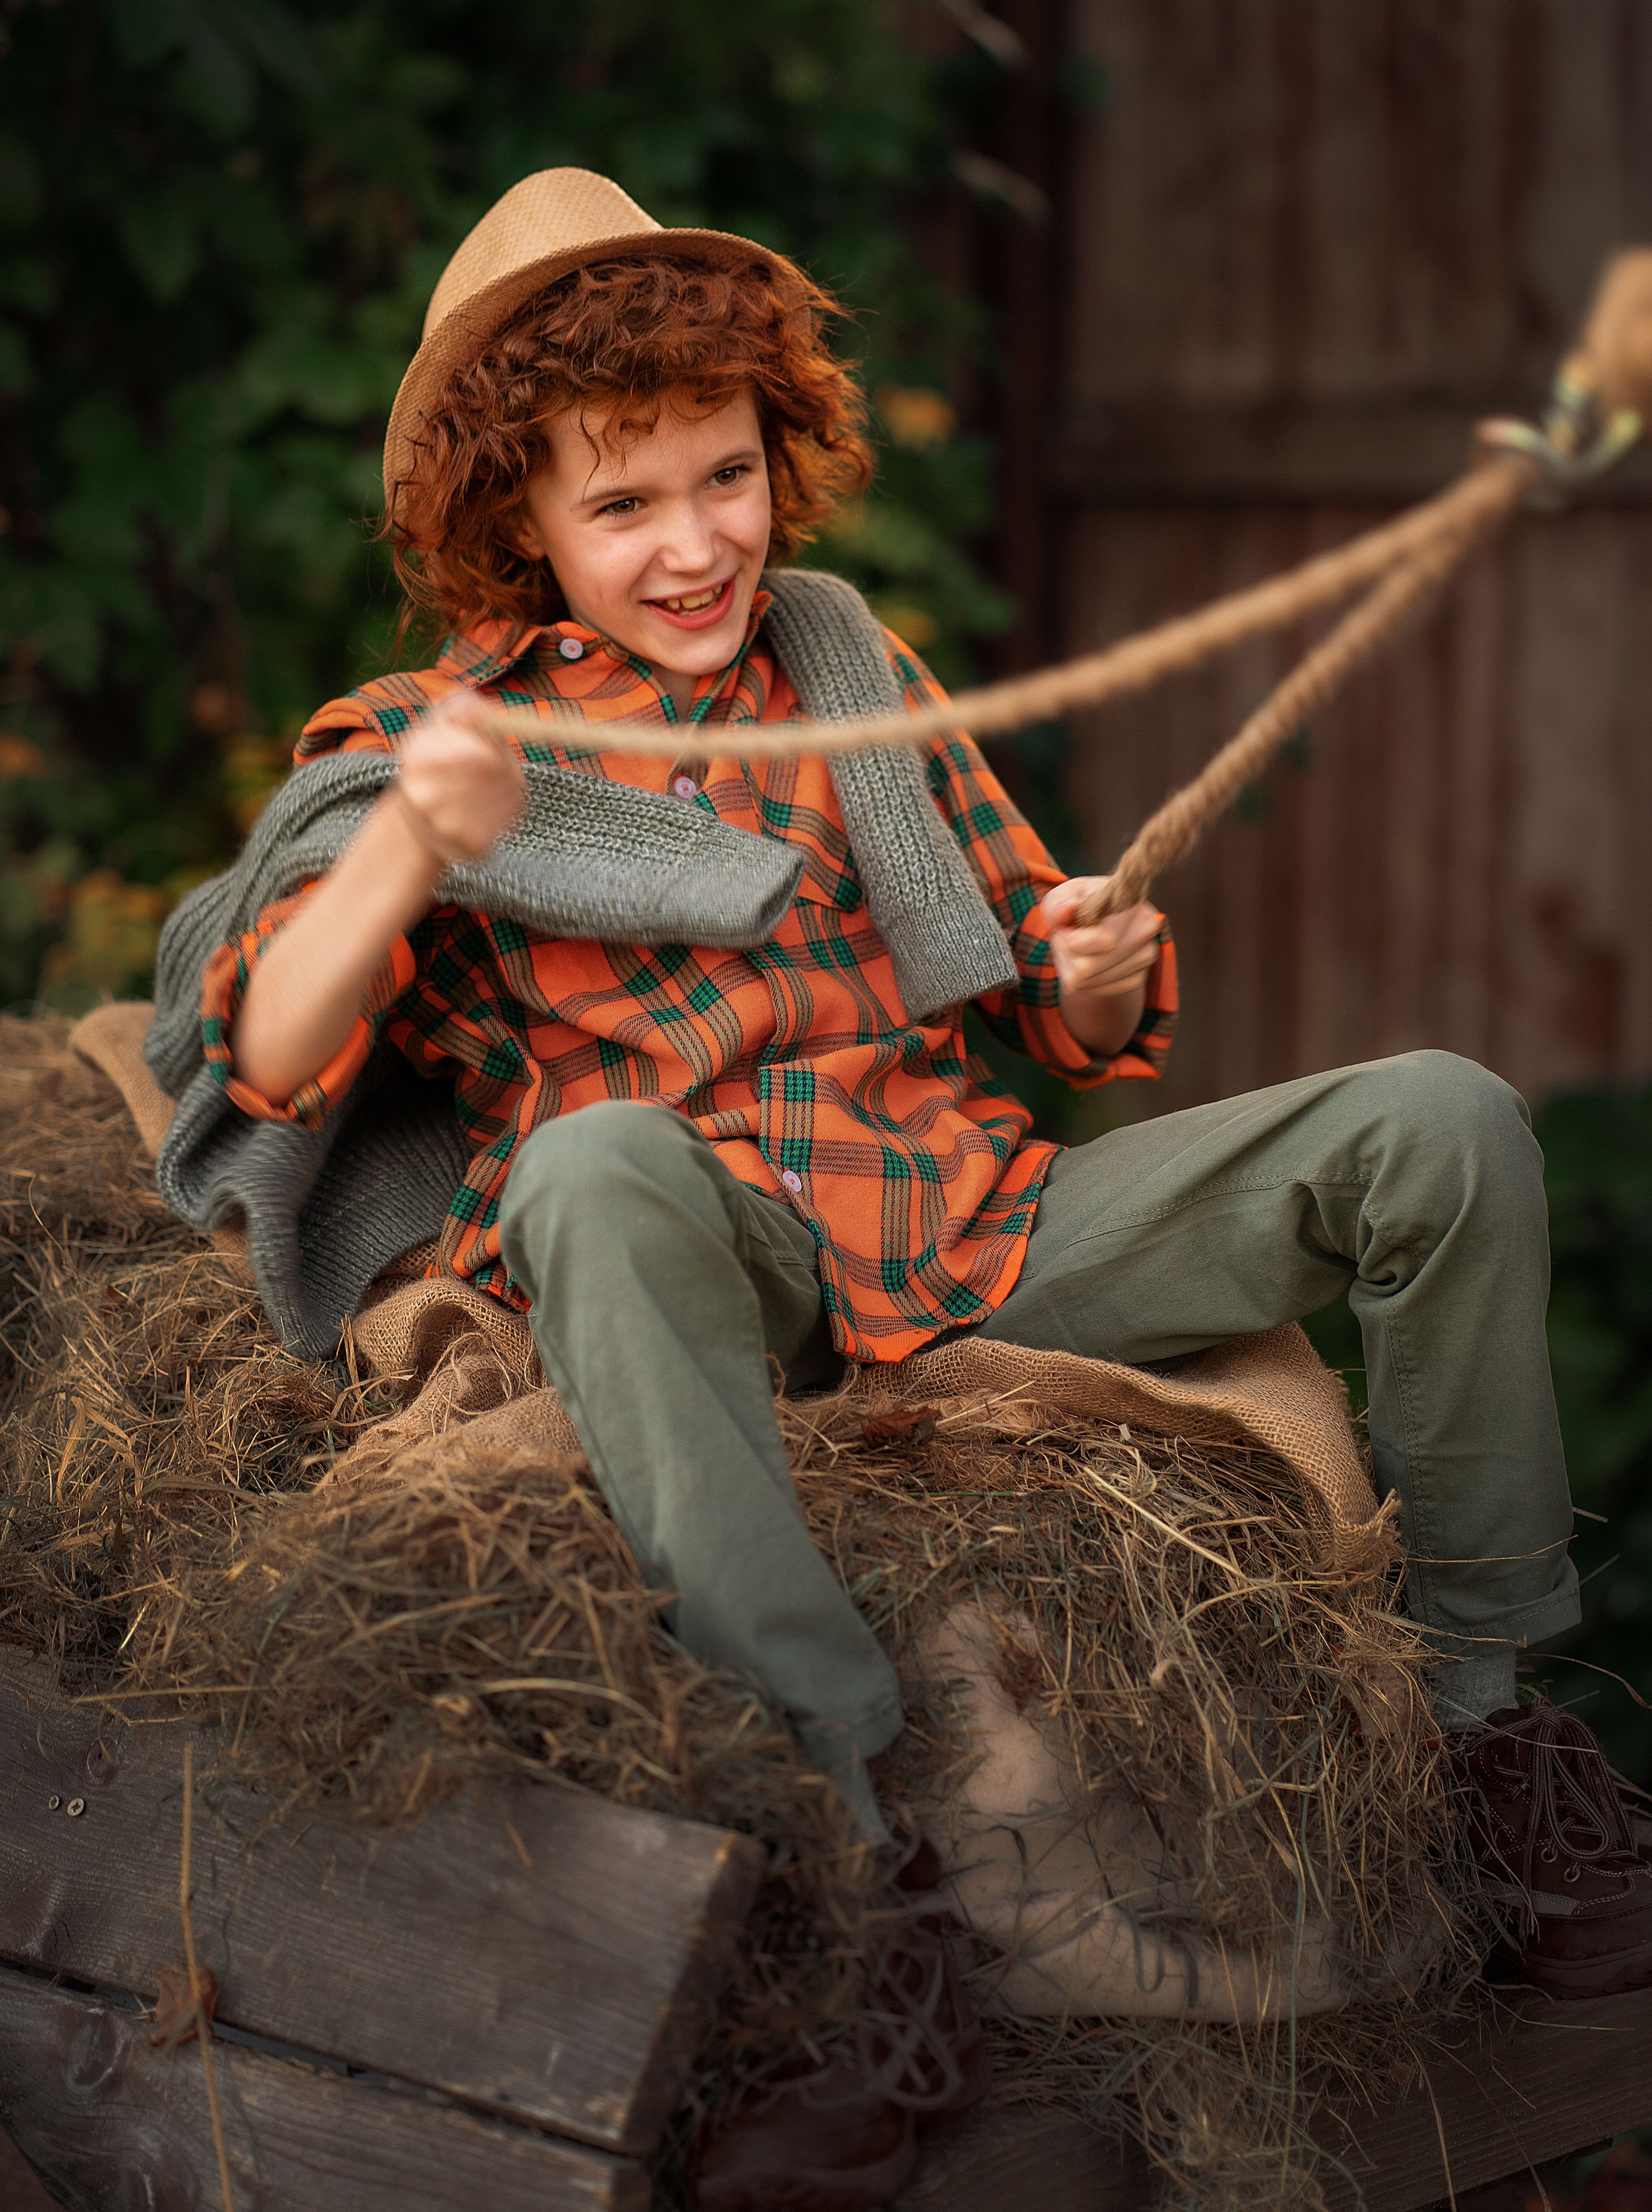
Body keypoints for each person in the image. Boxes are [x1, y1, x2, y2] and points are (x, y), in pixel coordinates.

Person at [202, 171, 1651, 2204]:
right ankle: (852, 1865)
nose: (696, 542)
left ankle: (1498, 1742)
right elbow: (267, 1059)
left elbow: (1042, 1003)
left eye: (724, 476)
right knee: (604, 1165)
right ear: (511, 517)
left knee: (1444, 1113)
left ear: (777, 450)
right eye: (622, 507)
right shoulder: (424, 747)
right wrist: (397, 856)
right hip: (712, 1247)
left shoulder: (856, 680)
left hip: (974, 1216)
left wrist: (1090, 975)